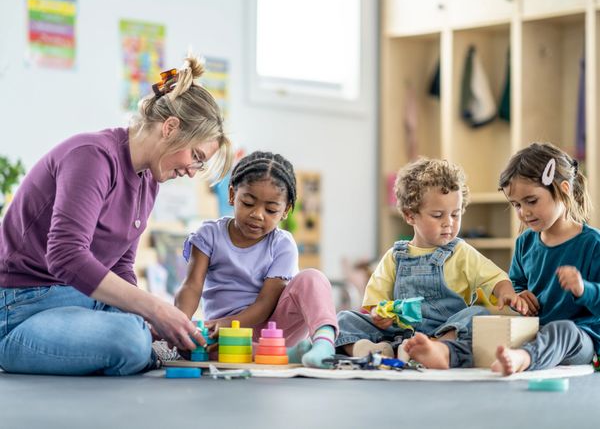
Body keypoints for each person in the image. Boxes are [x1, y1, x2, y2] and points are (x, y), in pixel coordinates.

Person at [0, 54, 234, 375]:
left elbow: (121, 265)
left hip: (78, 301)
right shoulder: (93, 157)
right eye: (195, 156)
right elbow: (65, 256)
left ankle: (145, 346)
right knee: (129, 340)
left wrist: (150, 318)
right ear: (170, 127)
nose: (192, 172)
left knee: (140, 329)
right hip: (21, 309)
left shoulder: (148, 180)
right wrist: (154, 309)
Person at [336, 158, 528, 368]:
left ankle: (433, 348)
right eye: (438, 215)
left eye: (456, 214)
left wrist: (506, 292)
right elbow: (375, 302)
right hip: (399, 332)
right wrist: (379, 315)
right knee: (343, 319)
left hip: (445, 330)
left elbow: (494, 277)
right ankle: (370, 350)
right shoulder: (394, 256)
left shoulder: (460, 252)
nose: (449, 222)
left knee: (477, 314)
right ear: (410, 216)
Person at [175, 151, 338, 368]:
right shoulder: (208, 235)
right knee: (193, 349)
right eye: (248, 203)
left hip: (275, 329)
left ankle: (324, 342)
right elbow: (192, 286)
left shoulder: (282, 244)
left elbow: (265, 304)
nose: (258, 214)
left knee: (312, 278)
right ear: (233, 195)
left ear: (286, 211)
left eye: (271, 210)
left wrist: (226, 324)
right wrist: (179, 324)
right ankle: (289, 355)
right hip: (224, 334)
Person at [491, 142, 600, 375]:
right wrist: (518, 296)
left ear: (564, 189)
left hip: (580, 340)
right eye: (516, 205)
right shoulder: (524, 243)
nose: (524, 212)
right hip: (534, 332)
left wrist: (583, 289)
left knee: (564, 330)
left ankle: (524, 358)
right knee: (476, 316)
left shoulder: (592, 244)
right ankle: (448, 350)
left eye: (531, 201)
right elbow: (517, 282)